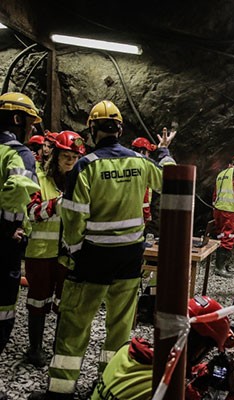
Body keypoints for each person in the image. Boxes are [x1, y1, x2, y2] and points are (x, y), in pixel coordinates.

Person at [29, 100, 176, 400]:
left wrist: (74, 251)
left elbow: (73, 216)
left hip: (92, 259)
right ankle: (108, 386)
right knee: (120, 330)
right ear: (120, 129)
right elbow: (169, 182)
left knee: (74, 325)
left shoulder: (86, 166)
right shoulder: (140, 161)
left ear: (93, 129)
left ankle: (60, 391)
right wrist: (165, 152)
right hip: (130, 260)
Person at [91, 296, 234, 400]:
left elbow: (173, 364)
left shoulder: (126, 351)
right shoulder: (171, 390)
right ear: (201, 348)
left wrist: (204, 372)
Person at [23, 131, 86, 368]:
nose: (70, 161)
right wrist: (58, 203)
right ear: (56, 155)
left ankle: (58, 349)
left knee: (64, 303)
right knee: (38, 302)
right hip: (40, 252)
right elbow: (31, 212)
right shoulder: (38, 178)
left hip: (66, 254)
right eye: (66, 156)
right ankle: (35, 349)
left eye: (74, 157)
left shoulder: (79, 181)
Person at [0, 92, 42, 369]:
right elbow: (18, 191)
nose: (33, 128)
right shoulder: (18, 153)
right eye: (30, 121)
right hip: (3, 248)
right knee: (2, 313)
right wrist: (10, 228)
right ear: (18, 119)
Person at [212, 155, 234, 277]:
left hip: (218, 209)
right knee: (228, 238)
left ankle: (223, 265)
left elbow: (215, 193)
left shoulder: (221, 174)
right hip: (231, 211)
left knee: (221, 236)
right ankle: (220, 268)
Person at [130, 136, 158, 225]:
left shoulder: (128, 164)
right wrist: (147, 214)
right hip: (139, 215)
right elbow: (144, 197)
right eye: (148, 152)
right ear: (142, 151)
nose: (148, 155)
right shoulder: (143, 168)